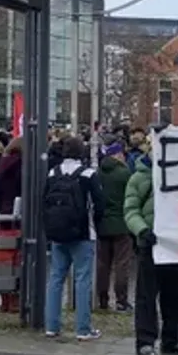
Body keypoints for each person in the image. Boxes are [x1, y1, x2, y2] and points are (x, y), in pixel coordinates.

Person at [123, 149, 178, 355]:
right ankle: (145, 341)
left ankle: (172, 339)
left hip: (172, 246)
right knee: (146, 295)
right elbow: (130, 210)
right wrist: (142, 230)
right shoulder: (139, 178)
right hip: (149, 245)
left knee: (175, 296)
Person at [42, 136, 104, 340]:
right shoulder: (88, 174)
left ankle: (52, 325)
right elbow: (99, 205)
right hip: (83, 233)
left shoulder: (53, 173)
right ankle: (83, 329)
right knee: (82, 280)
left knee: (55, 278)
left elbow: (44, 201)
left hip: (58, 233)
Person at [96, 141, 134, 312]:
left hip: (103, 224)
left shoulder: (98, 173)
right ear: (118, 155)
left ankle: (102, 298)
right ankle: (121, 300)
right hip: (121, 223)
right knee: (121, 264)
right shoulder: (125, 173)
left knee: (103, 264)